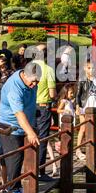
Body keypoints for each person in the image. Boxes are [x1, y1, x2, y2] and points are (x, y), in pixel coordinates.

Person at [0, 63, 40, 193]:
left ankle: (18, 185)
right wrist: (31, 132)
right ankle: (12, 190)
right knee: (14, 158)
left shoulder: (30, 81)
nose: (34, 84)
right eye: (32, 81)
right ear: (24, 75)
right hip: (10, 126)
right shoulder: (14, 88)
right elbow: (19, 114)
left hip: (25, 124)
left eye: (37, 81)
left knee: (23, 156)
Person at [34, 46, 57, 182]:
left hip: (30, 107)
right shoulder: (48, 70)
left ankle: (29, 168)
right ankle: (40, 171)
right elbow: (52, 93)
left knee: (29, 136)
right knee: (42, 139)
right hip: (43, 107)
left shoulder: (28, 68)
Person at [76, 61, 96, 162]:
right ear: (85, 69)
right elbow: (78, 95)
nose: (91, 70)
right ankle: (78, 150)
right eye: (89, 68)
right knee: (83, 128)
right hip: (85, 106)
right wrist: (77, 106)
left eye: (92, 68)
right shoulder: (82, 80)